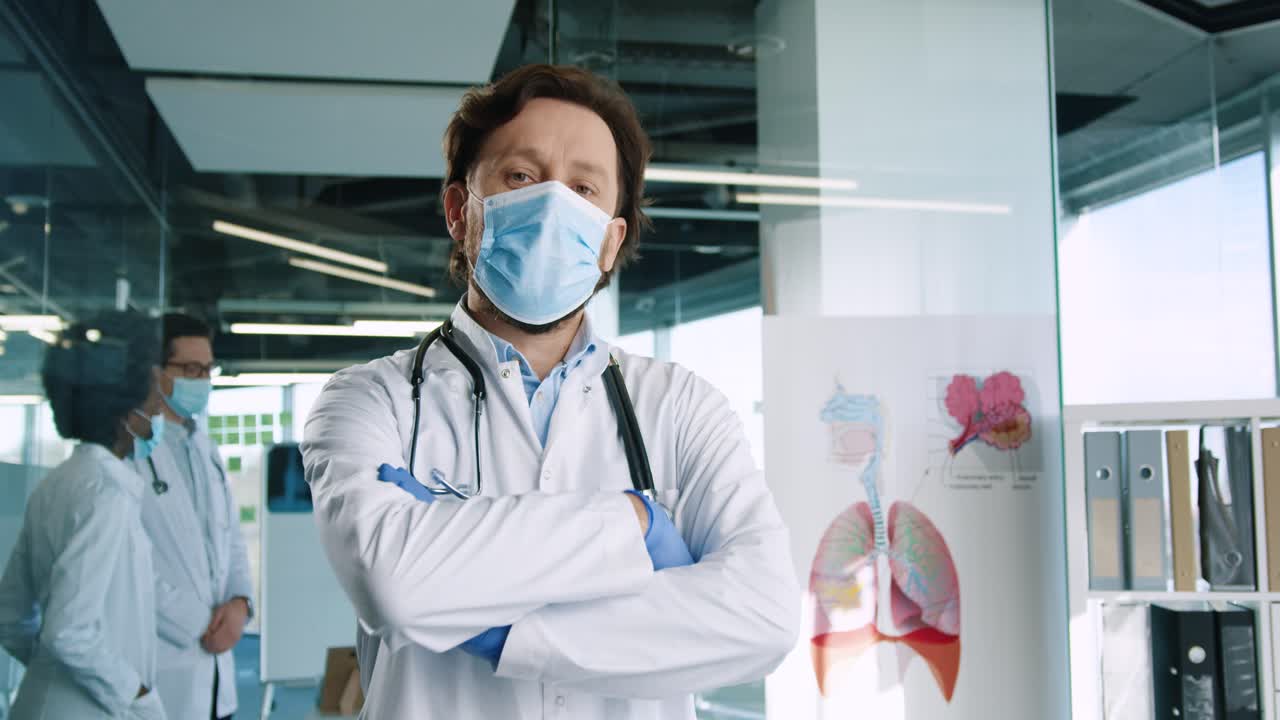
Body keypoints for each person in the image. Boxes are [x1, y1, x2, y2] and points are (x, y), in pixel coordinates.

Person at [301, 64, 800, 718]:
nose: (553, 204)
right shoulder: (372, 401)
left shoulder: (680, 406)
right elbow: (392, 582)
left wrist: (503, 627)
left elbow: (763, 615)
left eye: (585, 188)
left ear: (609, 240)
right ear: (460, 210)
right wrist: (636, 524)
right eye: (521, 177)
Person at [0, 311, 168, 720]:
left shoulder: (61, 481)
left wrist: (50, 672)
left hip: (47, 701)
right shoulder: (105, 495)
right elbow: (67, 631)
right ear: (125, 411)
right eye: (153, 395)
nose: (161, 404)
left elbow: (10, 616)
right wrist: (138, 695)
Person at [129, 313, 253, 720]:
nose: (202, 379)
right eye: (191, 369)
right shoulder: (131, 451)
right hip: (165, 666)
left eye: (208, 369)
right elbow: (130, 563)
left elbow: (230, 537)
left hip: (219, 674)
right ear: (156, 372)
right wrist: (199, 622)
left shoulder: (204, 446)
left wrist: (240, 605)